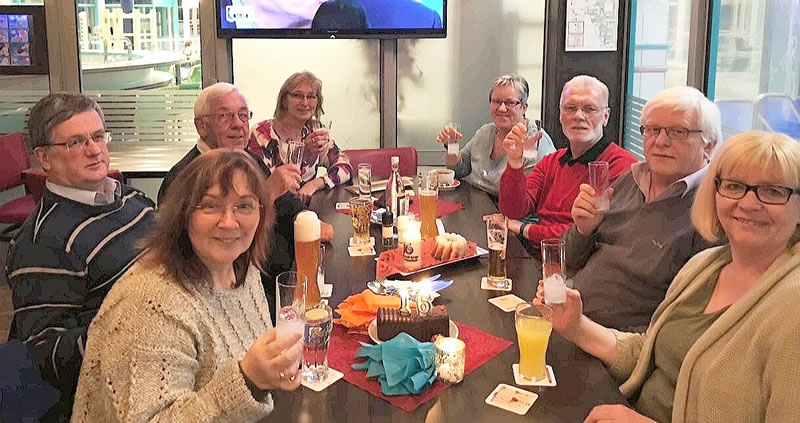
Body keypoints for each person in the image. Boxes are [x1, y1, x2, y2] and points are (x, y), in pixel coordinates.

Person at [540, 131, 800, 423]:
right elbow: (653, 356)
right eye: (734, 186)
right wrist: (576, 326)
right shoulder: (705, 266)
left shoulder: (792, 309)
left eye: (773, 192)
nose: (749, 204)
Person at [71, 149, 304, 422]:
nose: (229, 222)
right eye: (210, 205)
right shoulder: (152, 305)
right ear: (182, 214)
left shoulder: (242, 266)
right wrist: (248, 380)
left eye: (244, 206)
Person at [5, 93, 156, 420]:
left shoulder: (129, 198)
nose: (94, 150)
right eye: (75, 142)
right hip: (120, 391)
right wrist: (141, 322)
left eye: (98, 136)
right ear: (44, 157)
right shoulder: (43, 244)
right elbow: (47, 355)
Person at [157, 82, 334, 319]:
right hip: (246, 299)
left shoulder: (248, 159)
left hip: (290, 281)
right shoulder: (183, 178)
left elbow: (286, 205)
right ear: (202, 126)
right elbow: (198, 260)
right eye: (225, 116)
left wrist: (307, 218)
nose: (238, 125)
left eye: (243, 115)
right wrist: (267, 194)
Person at [565, 86, 721, 331]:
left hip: (612, 343)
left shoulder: (713, 210)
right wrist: (583, 230)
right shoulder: (629, 180)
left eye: (678, 132)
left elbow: (684, 326)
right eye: (652, 130)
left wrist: (586, 332)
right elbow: (570, 258)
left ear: (709, 145)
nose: (661, 142)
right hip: (569, 315)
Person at [498, 75, 637, 246]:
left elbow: (591, 233)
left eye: (589, 109)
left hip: (579, 258)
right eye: (570, 108)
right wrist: (514, 162)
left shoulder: (622, 166)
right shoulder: (551, 162)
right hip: (537, 252)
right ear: (560, 115)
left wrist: (525, 229)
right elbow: (513, 210)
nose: (578, 116)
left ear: (606, 116)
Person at [436, 74, 557, 197]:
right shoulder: (485, 132)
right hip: (472, 202)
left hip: (505, 208)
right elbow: (459, 170)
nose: (501, 108)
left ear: (524, 107)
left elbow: (526, 198)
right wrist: (451, 145)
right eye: (496, 102)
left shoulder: (534, 141)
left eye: (510, 102)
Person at [249, 71, 352, 202]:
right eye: (297, 96)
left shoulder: (314, 129)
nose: (305, 103)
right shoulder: (262, 133)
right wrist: (303, 153)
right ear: (284, 100)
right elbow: (269, 185)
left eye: (311, 96)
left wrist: (314, 184)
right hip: (274, 209)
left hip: (306, 207)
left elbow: (344, 167)